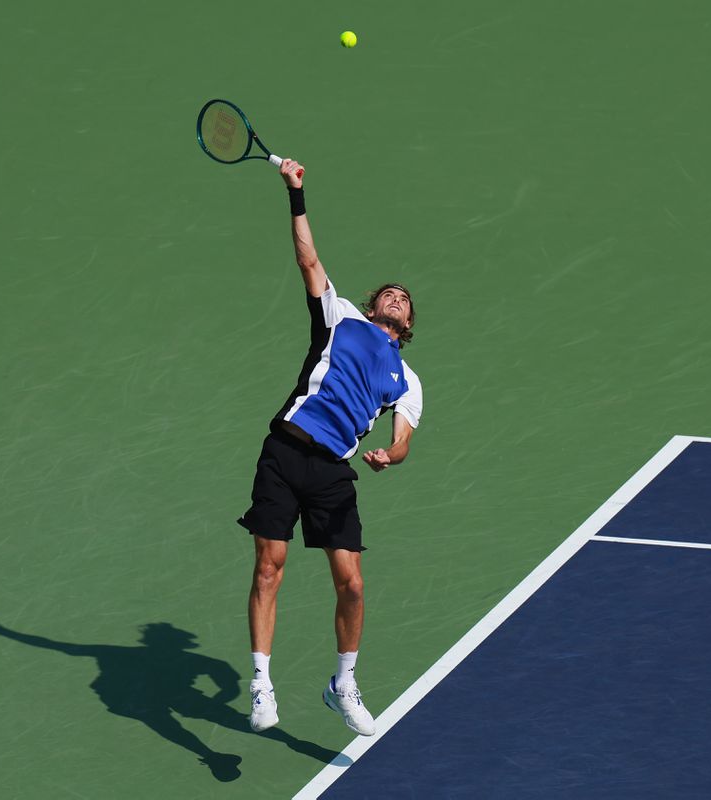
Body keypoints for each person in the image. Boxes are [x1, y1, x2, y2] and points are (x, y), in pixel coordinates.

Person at [236, 158, 424, 737]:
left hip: (333, 473)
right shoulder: (338, 316)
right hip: (285, 451)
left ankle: (343, 683)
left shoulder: (408, 381)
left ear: (408, 324)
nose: (395, 297)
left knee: (353, 583)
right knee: (270, 568)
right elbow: (308, 258)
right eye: (387, 294)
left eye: (403, 299)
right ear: (372, 307)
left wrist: (387, 458)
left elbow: (402, 444)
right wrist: (297, 193)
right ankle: (262, 682)